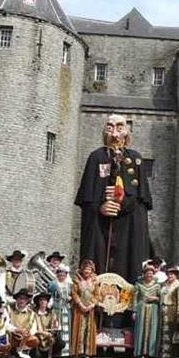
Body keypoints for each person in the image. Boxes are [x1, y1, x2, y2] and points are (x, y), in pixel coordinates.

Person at [75, 114, 153, 283]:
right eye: (110, 127)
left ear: (126, 132)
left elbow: (141, 200)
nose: (115, 133)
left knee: (128, 260)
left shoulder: (135, 158)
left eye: (120, 127)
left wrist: (123, 200)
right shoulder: (96, 157)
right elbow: (87, 198)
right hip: (100, 226)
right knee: (98, 257)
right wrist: (100, 206)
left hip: (128, 224)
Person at [71, 259, 99, 358]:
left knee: (88, 329)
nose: (87, 271)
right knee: (80, 328)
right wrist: (80, 305)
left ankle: (87, 352)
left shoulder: (95, 281)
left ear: (92, 271)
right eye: (85, 269)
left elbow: (97, 295)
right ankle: (78, 351)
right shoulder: (77, 279)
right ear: (82, 270)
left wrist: (92, 305)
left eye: (89, 269)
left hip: (90, 309)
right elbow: (74, 293)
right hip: (79, 308)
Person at [132, 265, 161, 358]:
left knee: (151, 330)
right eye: (147, 273)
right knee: (141, 329)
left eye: (151, 273)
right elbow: (135, 299)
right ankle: (140, 352)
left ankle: (150, 352)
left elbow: (162, 298)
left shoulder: (157, 286)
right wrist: (134, 311)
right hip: (142, 308)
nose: (149, 275)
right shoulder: (139, 285)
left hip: (153, 309)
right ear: (144, 274)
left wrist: (155, 298)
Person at [7, 288, 39, 358]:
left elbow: (34, 328)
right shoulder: (9, 309)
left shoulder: (32, 313)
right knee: (4, 335)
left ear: (27, 300)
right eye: (20, 298)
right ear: (16, 299)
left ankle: (20, 351)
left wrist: (28, 333)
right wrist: (16, 330)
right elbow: (5, 324)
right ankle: (6, 352)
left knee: (34, 340)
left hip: (24, 336)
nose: (22, 301)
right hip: (12, 335)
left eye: (24, 299)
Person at [48, 265, 72, 357]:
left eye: (64, 274)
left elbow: (71, 295)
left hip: (66, 309)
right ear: (57, 275)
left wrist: (70, 298)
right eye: (60, 274)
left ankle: (67, 351)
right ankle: (58, 351)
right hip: (57, 308)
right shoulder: (53, 284)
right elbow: (50, 296)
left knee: (66, 328)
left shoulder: (69, 285)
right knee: (58, 328)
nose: (62, 276)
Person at [160, 266, 179, 358]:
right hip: (163, 309)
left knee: (171, 332)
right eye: (169, 274)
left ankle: (172, 354)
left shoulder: (178, 285)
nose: (170, 276)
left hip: (172, 309)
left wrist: (178, 313)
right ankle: (164, 353)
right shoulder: (164, 284)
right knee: (163, 332)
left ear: (176, 276)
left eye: (172, 274)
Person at [33, 292, 61, 358]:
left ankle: (51, 353)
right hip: (38, 335)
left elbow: (55, 326)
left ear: (47, 302)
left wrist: (55, 325)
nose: (43, 302)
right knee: (36, 355)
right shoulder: (34, 313)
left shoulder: (51, 312)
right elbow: (33, 328)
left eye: (45, 300)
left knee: (61, 343)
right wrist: (43, 332)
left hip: (49, 336)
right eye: (41, 300)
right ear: (38, 302)